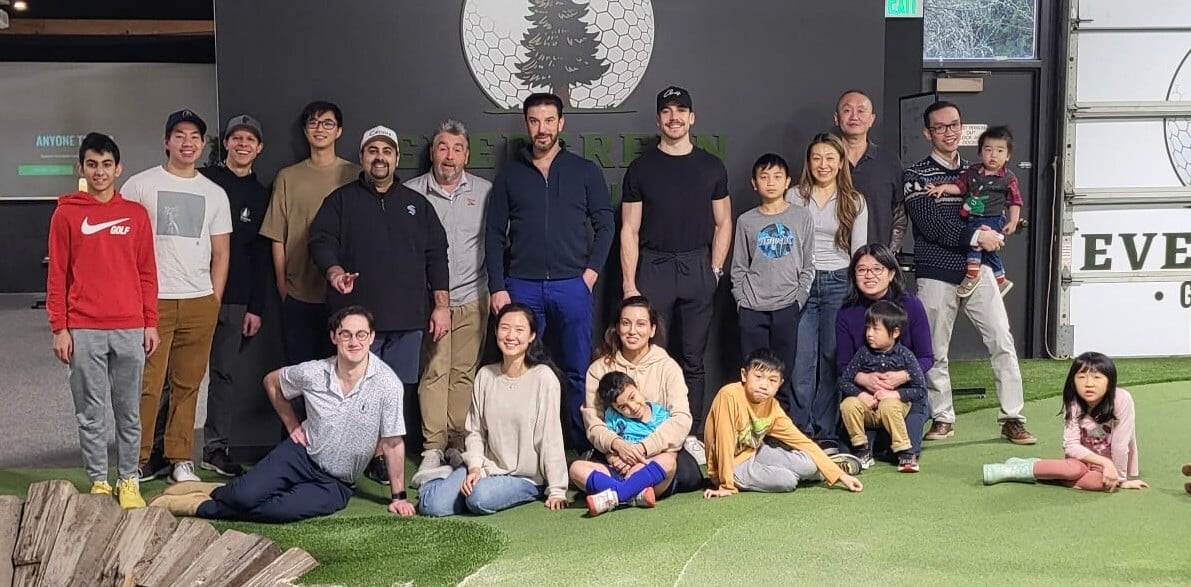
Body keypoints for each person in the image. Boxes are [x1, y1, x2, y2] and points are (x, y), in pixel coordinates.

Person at [147, 306, 417, 521]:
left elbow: (393, 443)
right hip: (300, 455)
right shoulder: (314, 372)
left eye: (361, 334)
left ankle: (201, 505)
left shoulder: (386, 384)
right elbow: (272, 381)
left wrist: (398, 496)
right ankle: (222, 492)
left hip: (335, 483)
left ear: (371, 337)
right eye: (346, 334)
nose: (354, 341)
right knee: (244, 496)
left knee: (277, 510)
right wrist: (291, 423)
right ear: (334, 337)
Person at [309, 125, 450, 485]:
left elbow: (437, 256)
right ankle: (350, 455)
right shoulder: (341, 201)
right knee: (355, 390)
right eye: (372, 150)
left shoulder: (418, 204)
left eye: (387, 151)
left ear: (396, 159)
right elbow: (321, 241)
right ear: (362, 158)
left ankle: (383, 455)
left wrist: (440, 305)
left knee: (395, 389)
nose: (380, 157)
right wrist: (335, 271)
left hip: (406, 318)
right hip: (356, 322)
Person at [485, 93, 614, 453]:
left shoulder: (585, 171)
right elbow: (494, 234)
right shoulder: (510, 175)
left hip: (571, 285)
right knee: (521, 370)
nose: (541, 129)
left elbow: (606, 225)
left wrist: (589, 274)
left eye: (548, 121)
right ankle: (526, 447)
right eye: (534, 121)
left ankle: (579, 444)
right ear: (527, 124)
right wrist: (498, 287)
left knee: (576, 370)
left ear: (561, 123)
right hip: (521, 287)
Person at [902, 101, 1035, 445]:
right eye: (941, 127)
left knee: (1002, 341)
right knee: (935, 349)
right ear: (927, 132)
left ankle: (1012, 417)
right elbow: (930, 226)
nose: (949, 132)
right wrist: (978, 236)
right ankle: (942, 416)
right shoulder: (916, 176)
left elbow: (1007, 210)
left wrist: (1002, 230)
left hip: (980, 272)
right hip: (935, 273)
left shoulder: (986, 171)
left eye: (955, 125)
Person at [620, 86, 733, 463]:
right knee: (653, 357)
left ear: (692, 118)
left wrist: (714, 270)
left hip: (696, 266)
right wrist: (628, 282)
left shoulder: (711, 166)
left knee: (694, 358)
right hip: (653, 266)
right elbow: (629, 230)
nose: (674, 118)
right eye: (666, 111)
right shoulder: (641, 168)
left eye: (681, 110)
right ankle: (650, 429)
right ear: (658, 119)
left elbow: (723, 222)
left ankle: (690, 432)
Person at [46, 132, 158, 508]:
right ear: (81, 168)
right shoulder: (66, 213)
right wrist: (60, 328)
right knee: (90, 412)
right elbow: (57, 275)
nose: (99, 172)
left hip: (129, 328)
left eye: (106, 164)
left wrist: (150, 322)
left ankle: (128, 480)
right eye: (92, 164)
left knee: (128, 412)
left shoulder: (136, 215)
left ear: (118, 168)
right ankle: (98, 481)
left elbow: (146, 272)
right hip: (84, 330)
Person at [122, 109, 231, 483]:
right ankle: (136, 459)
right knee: (149, 385)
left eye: (194, 137)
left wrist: (213, 299)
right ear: (167, 141)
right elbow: (124, 245)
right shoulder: (139, 186)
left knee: (188, 384)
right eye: (179, 135)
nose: (187, 143)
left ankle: (180, 457)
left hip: (199, 301)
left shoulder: (214, 193)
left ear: (203, 144)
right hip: (154, 302)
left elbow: (222, 253)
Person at [415, 304, 569, 517]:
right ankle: (445, 475)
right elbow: (475, 431)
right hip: (487, 467)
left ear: (532, 335)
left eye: (519, 330)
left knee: (478, 499)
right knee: (431, 506)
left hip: (525, 477)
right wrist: (476, 467)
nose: (510, 336)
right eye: (505, 328)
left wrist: (557, 490)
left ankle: (454, 477)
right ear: (496, 331)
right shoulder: (485, 375)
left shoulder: (543, 378)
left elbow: (550, 437)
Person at [403, 120, 493, 480]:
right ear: (432, 152)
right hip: (430, 301)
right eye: (443, 148)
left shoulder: (486, 192)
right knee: (435, 372)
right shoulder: (411, 193)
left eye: (457, 149)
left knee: (463, 373)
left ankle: (457, 443)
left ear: (467, 155)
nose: (450, 156)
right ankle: (432, 448)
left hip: (474, 295)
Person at [196, 115, 271, 478]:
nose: (242, 144)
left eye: (249, 139)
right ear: (225, 143)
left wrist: (255, 307)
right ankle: (162, 449)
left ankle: (215, 448)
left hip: (237, 298)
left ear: (259, 148)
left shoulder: (261, 194)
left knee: (223, 374)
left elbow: (260, 255)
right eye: (236, 138)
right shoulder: (204, 182)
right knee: (177, 374)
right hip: (193, 292)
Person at [259, 101, 360, 365]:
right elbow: (277, 237)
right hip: (299, 293)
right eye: (313, 123)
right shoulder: (287, 177)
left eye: (328, 123)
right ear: (305, 131)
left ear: (339, 131)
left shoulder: (355, 175)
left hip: (344, 293)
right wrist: (283, 287)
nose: (320, 129)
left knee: (344, 371)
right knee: (302, 370)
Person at [786, 133, 868, 451]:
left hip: (839, 281)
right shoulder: (794, 196)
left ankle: (826, 431)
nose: (823, 164)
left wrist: (859, 290)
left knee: (832, 358)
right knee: (801, 361)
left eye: (830, 158)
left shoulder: (855, 200)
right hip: (803, 282)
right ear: (809, 162)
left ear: (840, 162)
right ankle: (799, 430)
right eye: (817, 158)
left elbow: (859, 251)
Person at [580, 296, 703, 496]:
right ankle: (633, 492)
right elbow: (593, 422)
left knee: (689, 475)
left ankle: (617, 493)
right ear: (617, 328)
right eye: (626, 323)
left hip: (657, 449)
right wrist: (617, 447)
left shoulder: (667, 366)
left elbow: (681, 418)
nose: (632, 331)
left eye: (641, 324)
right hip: (616, 451)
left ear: (652, 330)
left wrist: (643, 449)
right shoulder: (598, 368)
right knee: (577, 471)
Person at [703, 348, 863, 498]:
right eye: (758, 377)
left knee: (808, 465)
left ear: (780, 384)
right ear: (744, 375)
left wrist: (842, 476)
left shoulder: (772, 406)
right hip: (732, 466)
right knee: (788, 481)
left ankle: (827, 469)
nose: (764, 385)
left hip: (754, 452)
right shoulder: (729, 396)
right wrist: (726, 485)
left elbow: (802, 442)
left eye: (772, 380)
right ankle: (820, 471)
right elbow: (724, 440)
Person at [983, 352, 1146, 491]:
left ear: (1110, 381)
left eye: (1097, 377)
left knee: (1102, 483)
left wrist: (1120, 478)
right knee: (1073, 470)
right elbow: (1071, 445)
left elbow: (1120, 444)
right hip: (1082, 461)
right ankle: (1010, 471)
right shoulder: (1074, 403)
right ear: (1073, 381)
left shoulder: (1122, 400)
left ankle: (1042, 469)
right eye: (1081, 377)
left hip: (1108, 465)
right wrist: (1103, 463)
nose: (1089, 384)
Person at [835, 244, 934, 470]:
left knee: (900, 450)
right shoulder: (847, 312)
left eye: (877, 269)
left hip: (904, 396)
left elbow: (927, 357)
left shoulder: (911, 305)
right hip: (864, 397)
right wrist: (864, 381)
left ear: (891, 273)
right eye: (861, 270)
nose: (869, 275)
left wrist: (902, 376)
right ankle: (866, 444)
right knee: (850, 450)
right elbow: (842, 365)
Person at [730, 153, 814, 415]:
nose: (770, 182)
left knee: (783, 372)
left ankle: (781, 428)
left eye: (777, 177)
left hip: (787, 305)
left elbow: (808, 265)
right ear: (754, 183)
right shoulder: (746, 220)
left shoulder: (802, 217)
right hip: (752, 308)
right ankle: (752, 426)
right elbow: (739, 267)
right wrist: (742, 301)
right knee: (754, 373)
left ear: (788, 181)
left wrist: (798, 299)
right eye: (764, 177)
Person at [925, 125, 1023, 297]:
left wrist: (1013, 221)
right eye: (988, 150)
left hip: (992, 218)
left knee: (976, 242)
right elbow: (959, 187)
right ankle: (1001, 280)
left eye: (1000, 151)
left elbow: (1015, 201)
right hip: (972, 216)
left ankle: (972, 275)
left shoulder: (1009, 178)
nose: (993, 155)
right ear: (980, 152)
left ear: (1008, 156)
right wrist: (942, 188)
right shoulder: (971, 172)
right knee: (987, 249)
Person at [838, 300, 925, 472]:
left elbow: (920, 389)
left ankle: (905, 453)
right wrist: (861, 395)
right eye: (868, 328)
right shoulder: (863, 354)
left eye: (876, 329)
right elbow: (844, 381)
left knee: (889, 405)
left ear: (895, 332)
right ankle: (861, 450)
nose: (870, 334)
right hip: (869, 407)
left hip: (894, 407)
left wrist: (896, 395)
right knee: (848, 404)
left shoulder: (905, 356)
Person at [579, 372, 671, 516]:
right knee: (576, 468)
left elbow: (667, 448)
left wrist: (638, 461)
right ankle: (633, 495)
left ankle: (617, 496)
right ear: (615, 409)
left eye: (633, 397)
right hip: (619, 470)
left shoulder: (661, 415)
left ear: (637, 387)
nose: (633, 407)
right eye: (623, 407)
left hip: (644, 469)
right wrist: (613, 458)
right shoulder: (612, 417)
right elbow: (609, 448)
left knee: (669, 461)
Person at [833, 89, 907, 249]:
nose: (854, 116)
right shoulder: (825, 162)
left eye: (861, 111)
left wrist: (889, 254)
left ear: (872, 119)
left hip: (876, 261)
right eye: (847, 110)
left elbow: (900, 212)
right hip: (831, 263)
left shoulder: (889, 161)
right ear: (836, 118)